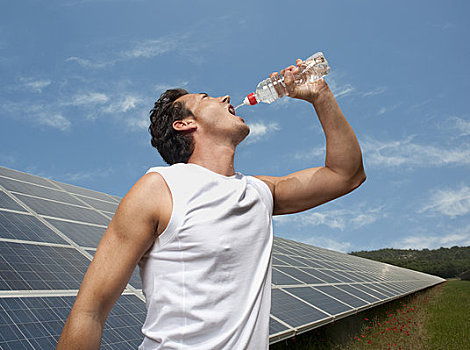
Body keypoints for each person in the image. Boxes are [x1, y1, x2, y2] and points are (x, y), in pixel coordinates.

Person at [57, 59, 366, 349]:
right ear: (185, 124)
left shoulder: (259, 191)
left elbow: (346, 174)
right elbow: (90, 312)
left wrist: (320, 95)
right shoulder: (159, 189)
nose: (225, 97)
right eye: (206, 97)